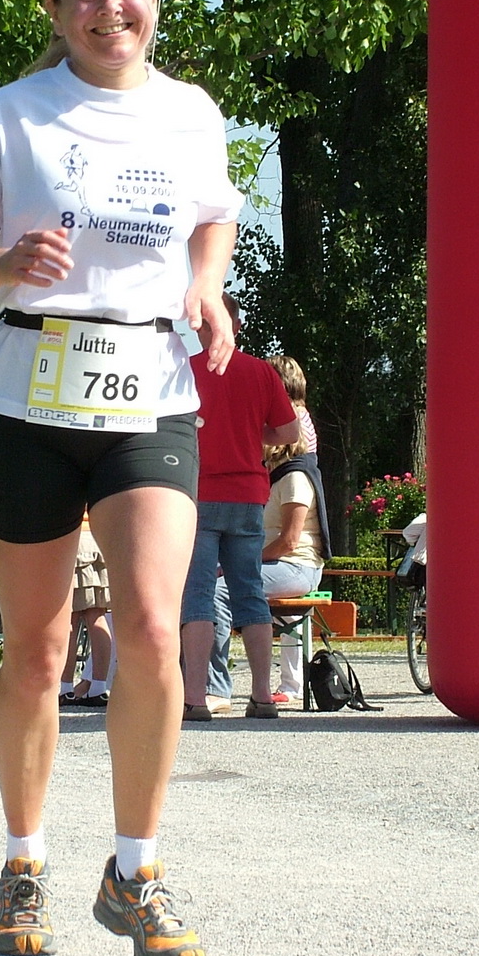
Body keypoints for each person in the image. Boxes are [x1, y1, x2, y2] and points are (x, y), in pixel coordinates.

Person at [0, 0, 239, 956]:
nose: (110, 10)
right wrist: (4, 256)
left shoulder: (190, 115)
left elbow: (212, 215)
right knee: (39, 651)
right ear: (58, 14)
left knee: (152, 626)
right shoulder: (11, 118)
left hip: (148, 387)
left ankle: (136, 872)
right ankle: (22, 861)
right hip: (28, 393)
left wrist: (205, 279)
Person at [180, 296, 301, 721]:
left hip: (198, 494)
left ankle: (195, 697)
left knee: (196, 594)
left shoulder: (186, 371)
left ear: (199, 326)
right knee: (249, 591)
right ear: (237, 325)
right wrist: (252, 433)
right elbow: (288, 430)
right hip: (249, 493)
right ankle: (264, 695)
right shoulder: (261, 372)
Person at [260, 357, 331, 703]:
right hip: (298, 553)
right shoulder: (301, 413)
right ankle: (291, 683)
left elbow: (288, 539)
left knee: (230, 589)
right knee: (289, 617)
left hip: (298, 557)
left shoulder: (291, 420)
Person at [60, 521, 115, 708]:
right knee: (98, 618)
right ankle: (99, 687)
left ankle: (65, 688)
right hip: (98, 541)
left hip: (71, 539)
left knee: (69, 621)